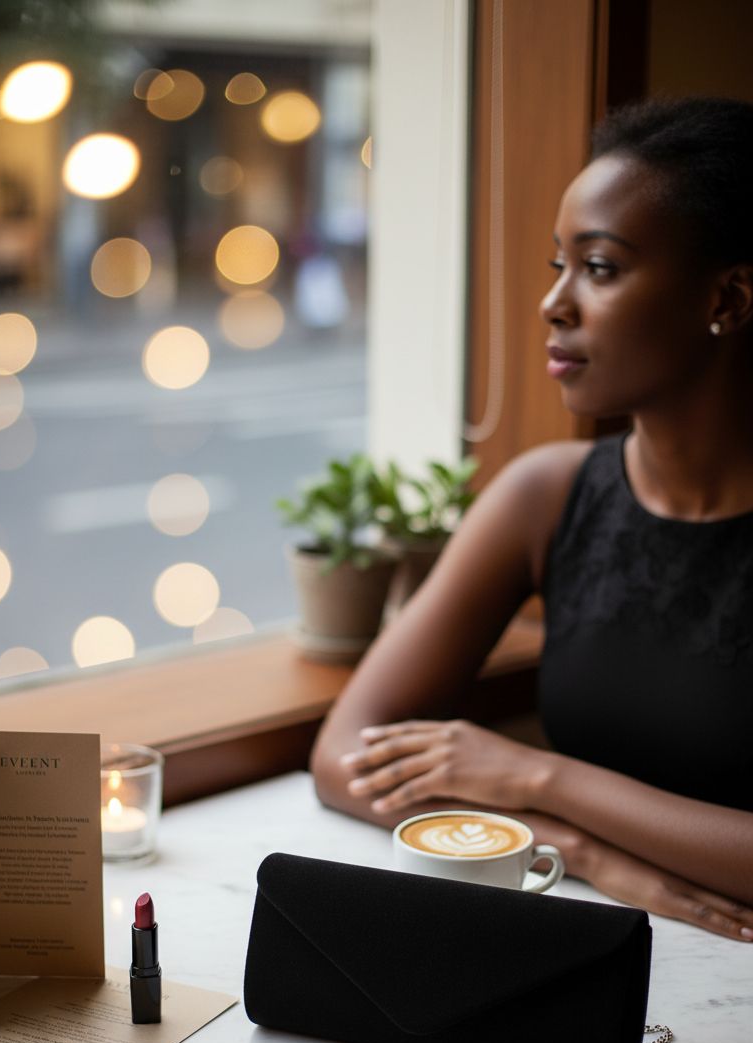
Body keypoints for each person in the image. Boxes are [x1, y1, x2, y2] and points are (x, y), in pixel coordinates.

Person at [311, 96, 753, 942]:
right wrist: (582, 853)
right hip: (598, 936)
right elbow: (345, 757)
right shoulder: (542, 495)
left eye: (601, 268)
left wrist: (539, 780)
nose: (554, 303)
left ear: (727, 299)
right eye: (560, 265)